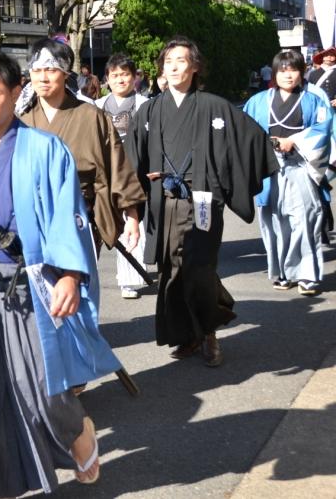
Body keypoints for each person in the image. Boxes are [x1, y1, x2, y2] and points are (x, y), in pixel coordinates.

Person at [0, 49, 120, 497]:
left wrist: (70, 276)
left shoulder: (43, 149)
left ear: (16, 93)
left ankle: (78, 432)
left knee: (39, 381)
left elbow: (64, 213)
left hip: (31, 281)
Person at [126, 37, 278, 367]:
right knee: (172, 270)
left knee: (198, 268)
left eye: (181, 60)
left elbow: (252, 139)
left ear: (195, 66)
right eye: (168, 61)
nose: (174, 66)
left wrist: (224, 179)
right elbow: (131, 159)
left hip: (203, 200)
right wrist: (132, 208)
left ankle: (208, 332)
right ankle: (190, 335)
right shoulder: (150, 110)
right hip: (163, 202)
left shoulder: (214, 106)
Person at [18, 39, 144, 261]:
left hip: (78, 218)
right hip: (28, 221)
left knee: (78, 292)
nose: (43, 77)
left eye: (50, 69)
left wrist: (131, 215)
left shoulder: (91, 116)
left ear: (66, 73)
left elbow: (117, 166)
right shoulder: (19, 118)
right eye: (36, 70)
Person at [244, 50, 332, 296]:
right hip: (268, 169)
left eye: (293, 69)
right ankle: (282, 272)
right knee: (274, 221)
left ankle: (307, 275)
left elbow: (324, 131)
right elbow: (244, 132)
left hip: (301, 166)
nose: (288, 74)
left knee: (305, 220)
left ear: (302, 72)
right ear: (274, 73)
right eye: (282, 70)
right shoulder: (258, 101)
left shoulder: (313, 100)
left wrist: (294, 140)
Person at [96, 54, 151, 299]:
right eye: (115, 75)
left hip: (134, 172)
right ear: (107, 79)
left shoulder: (145, 105)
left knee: (133, 222)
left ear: (134, 77)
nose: (120, 80)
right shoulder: (96, 107)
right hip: (105, 174)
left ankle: (128, 279)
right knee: (109, 224)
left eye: (125, 74)